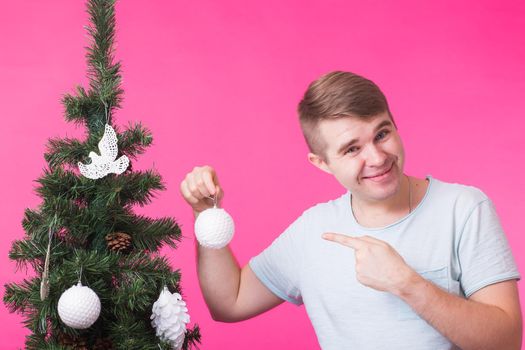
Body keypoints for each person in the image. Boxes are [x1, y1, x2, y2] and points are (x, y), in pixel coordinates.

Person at [180, 71, 522, 349]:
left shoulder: (463, 209)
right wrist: (204, 214)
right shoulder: (314, 231)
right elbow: (230, 301)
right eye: (352, 149)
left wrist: (408, 284)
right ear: (322, 163)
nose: (376, 157)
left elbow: (507, 342)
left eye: (382, 133)